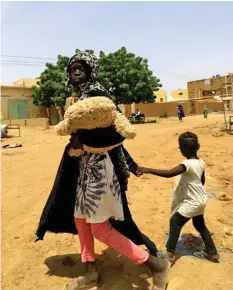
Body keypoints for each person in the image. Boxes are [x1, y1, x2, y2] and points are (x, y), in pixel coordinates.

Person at [35, 51, 170, 290]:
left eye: (81, 68)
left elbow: (115, 133)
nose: (76, 71)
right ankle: (91, 270)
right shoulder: (78, 97)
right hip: (85, 167)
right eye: (72, 68)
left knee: (99, 228)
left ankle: (155, 264)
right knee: (80, 220)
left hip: (100, 168)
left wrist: (86, 139)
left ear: (91, 70)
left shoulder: (98, 93)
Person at [138, 132, 220, 264]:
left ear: (184, 149)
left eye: (180, 147)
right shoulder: (201, 162)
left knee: (175, 221)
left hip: (192, 202)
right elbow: (202, 181)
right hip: (200, 199)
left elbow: (169, 173)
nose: (180, 149)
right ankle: (213, 252)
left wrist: (147, 169)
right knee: (200, 225)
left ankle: (170, 253)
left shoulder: (187, 164)